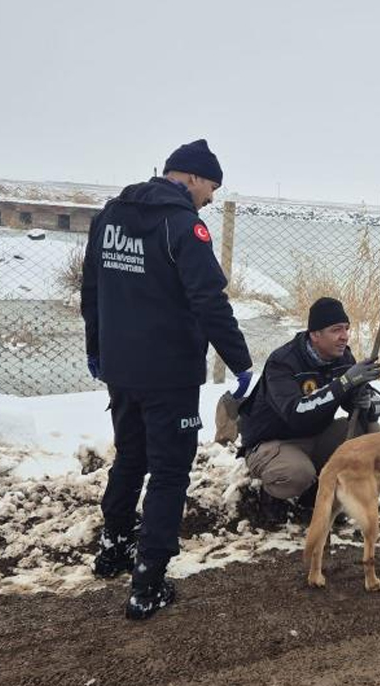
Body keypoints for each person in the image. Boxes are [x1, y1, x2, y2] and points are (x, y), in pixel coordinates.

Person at [80, 138, 252, 620]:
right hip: (169, 374)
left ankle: (113, 549)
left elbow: (91, 289)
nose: (211, 199)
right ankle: (148, 584)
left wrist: (97, 349)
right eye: (211, 188)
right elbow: (209, 300)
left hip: (121, 369)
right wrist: (240, 362)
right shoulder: (183, 225)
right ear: (192, 177)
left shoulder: (110, 216)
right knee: (170, 472)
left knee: (130, 457)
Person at [238, 296, 380, 526]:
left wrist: (365, 402)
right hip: (274, 442)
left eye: (346, 328)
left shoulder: (343, 357)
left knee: (364, 434)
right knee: (297, 474)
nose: (344, 336)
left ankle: (315, 497)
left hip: (316, 434)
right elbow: (296, 413)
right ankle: (272, 497)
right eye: (336, 330)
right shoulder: (283, 362)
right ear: (315, 335)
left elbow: (351, 403)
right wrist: (344, 383)